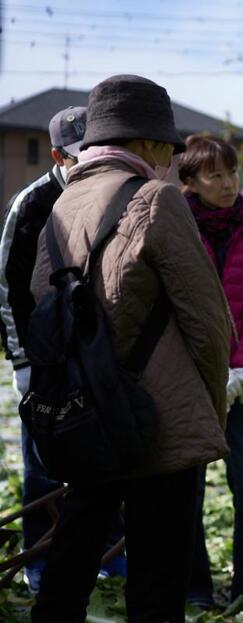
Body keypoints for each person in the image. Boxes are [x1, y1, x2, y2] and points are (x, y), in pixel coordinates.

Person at [29, 74, 231, 622]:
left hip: (86, 415)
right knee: (157, 578)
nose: (168, 159)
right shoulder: (155, 199)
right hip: (158, 418)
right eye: (167, 147)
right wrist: (211, 412)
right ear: (145, 143)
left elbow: (42, 312)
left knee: (74, 549)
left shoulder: (63, 206)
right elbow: (209, 321)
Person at [0, 106, 127, 592]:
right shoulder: (32, 203)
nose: (89, 162)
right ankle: (43, 561)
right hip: (46, 358)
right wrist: (23, 361)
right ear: (57, 155)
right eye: (78, 156)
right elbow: (6, 285)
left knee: (106, 456)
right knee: (45, 462)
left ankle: (110, 555)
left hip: (98, 356)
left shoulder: (112, 195)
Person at [179, 134, 243, 610]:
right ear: (191, 181)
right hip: (190, 384)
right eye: (214, 174)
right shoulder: (174, 226)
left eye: (232, 172)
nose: (226, 183)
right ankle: (196, 590)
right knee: (187, 496)